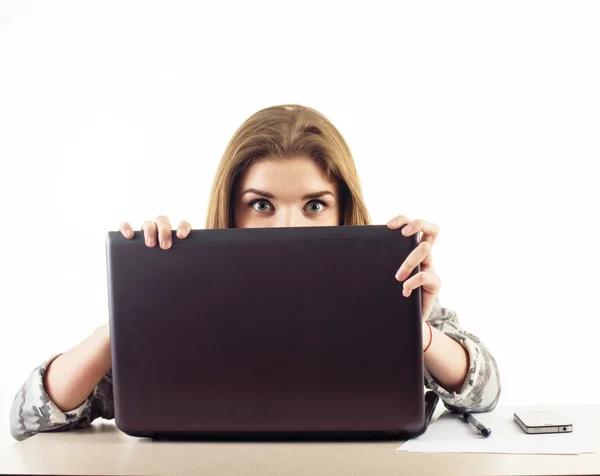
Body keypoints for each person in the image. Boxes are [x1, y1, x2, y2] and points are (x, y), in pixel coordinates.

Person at [9, 104, 501, 442]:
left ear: (342, 209)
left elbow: (485, 392)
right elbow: (29, 414)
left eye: (314, 204)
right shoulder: (189, 304)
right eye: (262, 204)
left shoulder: (388, 287)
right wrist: (135, 306)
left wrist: (414, 332)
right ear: (232, 209)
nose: (288, 225)